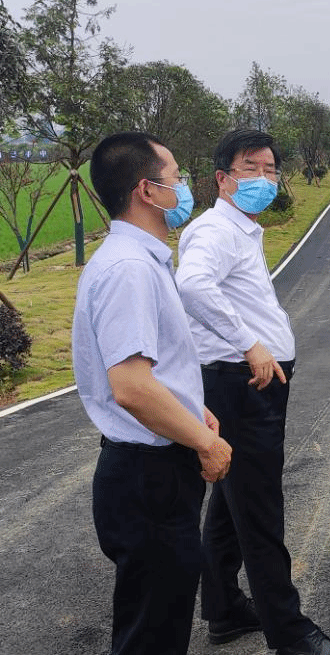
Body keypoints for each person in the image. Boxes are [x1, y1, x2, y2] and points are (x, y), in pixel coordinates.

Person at [176, 129, 330, 655]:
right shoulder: (215, 230)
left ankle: (224, 609)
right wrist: (250, 343)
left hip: (249, 383)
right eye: (250, 168)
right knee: (260, 510)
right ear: (222, 179)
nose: (264, 178)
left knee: (231, 505)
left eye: (271, 169)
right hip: (239, 384)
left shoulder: (242, 229)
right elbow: (192, 285)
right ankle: (289, 632)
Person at [71, 132, 232, 655]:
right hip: (149, 477)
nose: (185, 188)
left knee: (158, 616)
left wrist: (191, 409)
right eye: (177, 177)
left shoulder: (138, 260)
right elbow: (132, 388)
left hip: (151, 471)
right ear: (147, 190)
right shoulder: (131, 269)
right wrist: (206, 443)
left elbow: (152, 367)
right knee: (153, 632)